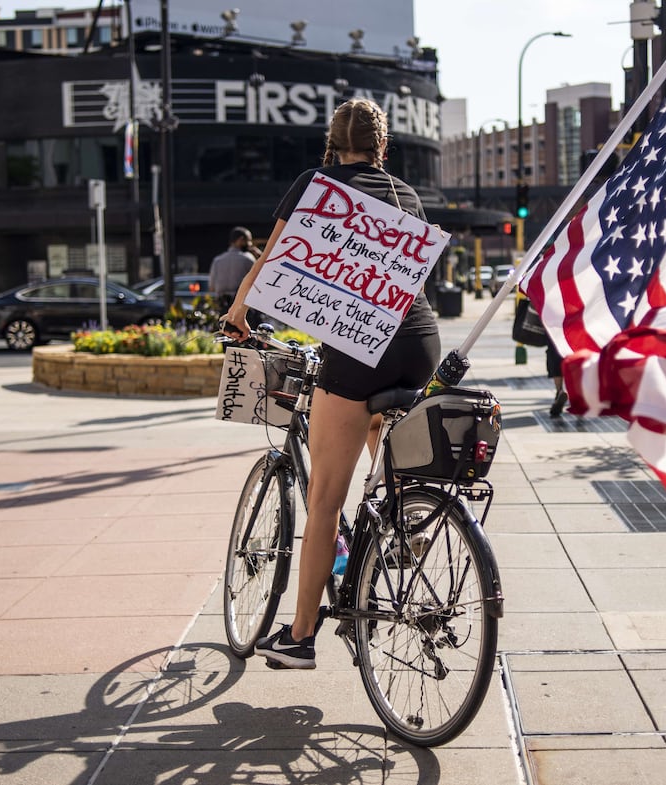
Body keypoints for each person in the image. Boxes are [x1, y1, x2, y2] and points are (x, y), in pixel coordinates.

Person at [219, 99, 441, 669]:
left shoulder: (315, 186)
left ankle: (299, 636)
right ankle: (400, 518)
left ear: (332, 143)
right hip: (420, 343)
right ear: (381, 147)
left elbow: (271, 259)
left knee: (324, 500)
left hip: (360, 349)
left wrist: (240, 313)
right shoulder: (405, 195)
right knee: (376, 427)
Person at [208, 227, 258, 311]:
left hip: (222, 307)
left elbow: (212, 287)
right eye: (249, 241)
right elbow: (257, 283)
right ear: (241, 240)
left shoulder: (217, 260)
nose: (250, 244)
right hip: (241, 308)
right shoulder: (248, 258)